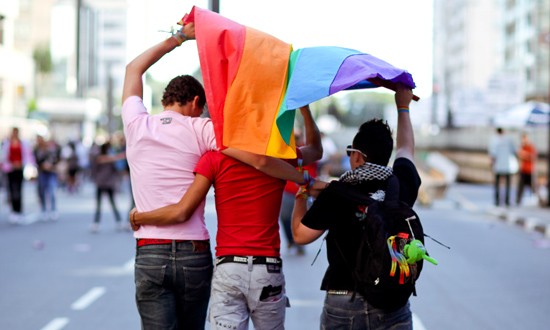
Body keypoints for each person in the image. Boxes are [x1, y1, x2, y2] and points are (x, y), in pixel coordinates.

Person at [122, 23, 309, 329]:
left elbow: (134, 69)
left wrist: (178, 39)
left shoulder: (136, 125)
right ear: (196, 103)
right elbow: (256, 158)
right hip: (193, 254)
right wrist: (302, 178)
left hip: (150, 251)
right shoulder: (203, 129)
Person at [130, 104, 322, 329]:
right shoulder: (278, 159)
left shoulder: (214, 159)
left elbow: (184, 208)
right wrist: (306, 110)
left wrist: (139, 217)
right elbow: (316, 151)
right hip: (267, 267)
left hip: (229, 268)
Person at [291, 86, 420, 329]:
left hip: (344, 302)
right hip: (391, 303)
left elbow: (300, 234)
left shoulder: (336, 193)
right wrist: (403, 107)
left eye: (351, 152)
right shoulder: (399, 184)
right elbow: (406, 150)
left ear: (358, 156)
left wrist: (302, 196)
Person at [279, 128, 317, 256]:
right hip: (288, 191)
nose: (295, 140)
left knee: (301, 218)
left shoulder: (306, 151)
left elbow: (316, 156)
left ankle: (299, 243)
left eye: (297, 137)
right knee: (284, 217)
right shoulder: (283, 152)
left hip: (304, 191)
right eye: (292, 137)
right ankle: (291, 240)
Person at [1, 127, 35, 224]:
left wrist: (29, 166)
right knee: (11, 190)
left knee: (19, 190)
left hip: (19, 169)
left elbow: (28, 156)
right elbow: (4, 156)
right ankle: (13, 211)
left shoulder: (23, 143)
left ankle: (19, 211)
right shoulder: (7, 143)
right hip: (10, 169)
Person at [90, 141, 124, 233]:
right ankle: (118, 221)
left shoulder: (99, 157)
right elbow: (116, 169)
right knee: (112, 203)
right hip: (108, 183)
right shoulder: (110, 158)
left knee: (99, 204)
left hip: (101, 183)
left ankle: (96, 223)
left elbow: (94, 169)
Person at [33, 135, 62, 221]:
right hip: (42, 172)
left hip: (51, 172)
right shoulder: (36, 150)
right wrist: (42, 166)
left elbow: (56, 159)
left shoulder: (50, 149)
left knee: (52, 190)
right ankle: (44, 210)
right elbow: (36, 161)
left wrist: (51, 166)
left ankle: (53, 209)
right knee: (42, 191)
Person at [488, 127, 517, 207]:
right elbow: (514, 151)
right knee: (508, 184)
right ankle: (507, 201)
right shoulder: (509, 140)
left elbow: (492, 155)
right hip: (508, 166)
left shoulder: (494, 141)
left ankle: (497, 201)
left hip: (498, 166)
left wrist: (491, 165)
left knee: (497, 184)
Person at [516, 132, 537, 205]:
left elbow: (532, 157)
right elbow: (519, 155)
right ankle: (518, 201)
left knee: (533, 187)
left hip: (530, 170)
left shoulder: (531, 147)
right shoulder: (522, 147)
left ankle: (536, 200)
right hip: (523, 169)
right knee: (520, 187)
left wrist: (524, 154)